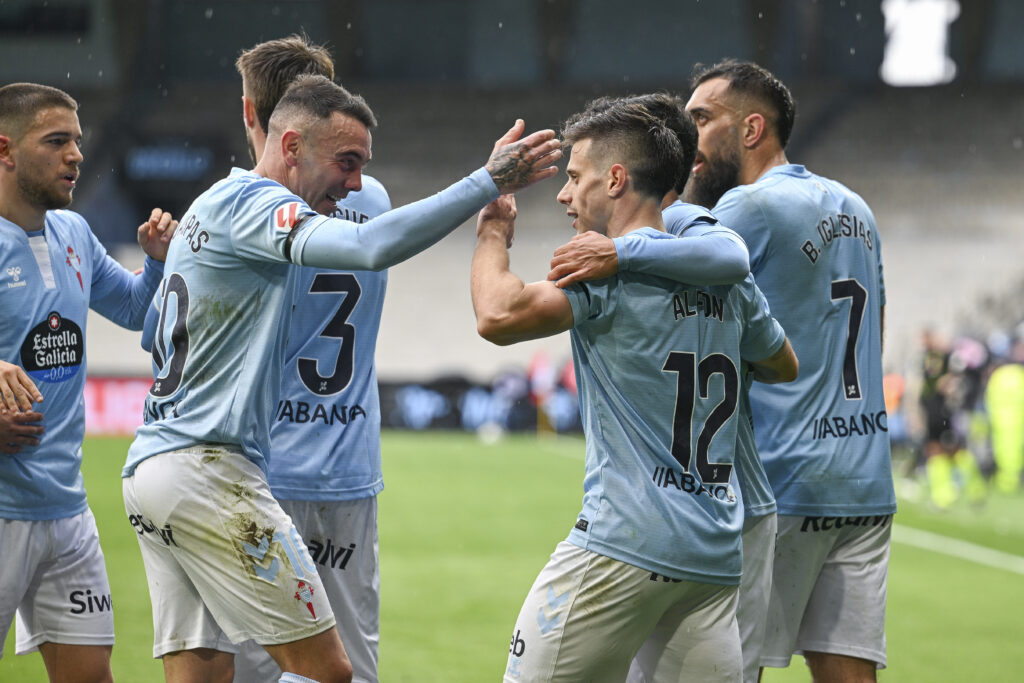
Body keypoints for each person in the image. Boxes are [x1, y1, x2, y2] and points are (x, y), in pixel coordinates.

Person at [121, 73, 561, 683]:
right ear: (292, 143)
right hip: (209, 471)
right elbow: (371, 246)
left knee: (201, 673)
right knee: (328, 671)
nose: (357, 185)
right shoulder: (256, 206)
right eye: (346, 163)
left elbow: (153, 333)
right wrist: (486, 181)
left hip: (151, 467)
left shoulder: (207, 206)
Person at [551, 60, 895, 682]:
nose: (690, 135)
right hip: (865, 478)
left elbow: (692, 262)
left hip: (781, 476)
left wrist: (618, 248)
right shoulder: (857, 208)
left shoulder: (745, 209)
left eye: (702, 119)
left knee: (724, 670)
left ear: (752, 129)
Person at [471, 95, 797, 682]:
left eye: (574, 177)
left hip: (622, 544)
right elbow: (782, 365)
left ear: (616, 179)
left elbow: (497, 315)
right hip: (712, 555)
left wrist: (493, 231)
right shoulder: (728, 278)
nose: (565, 194)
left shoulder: (602, 269)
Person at [228, 35, 389, 683]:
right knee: (347, 665)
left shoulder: (235, 210)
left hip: (259, 465)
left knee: (254, 664)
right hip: (347, 463)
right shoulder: (371, 199)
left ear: (250, 113)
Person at [0, 82, 174, 682]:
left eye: (77, 140)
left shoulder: (73, 232)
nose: (76, 155)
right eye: (56, 141)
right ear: (5, 151)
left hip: (66, 512)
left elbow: (133, 310)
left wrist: (154, 262)